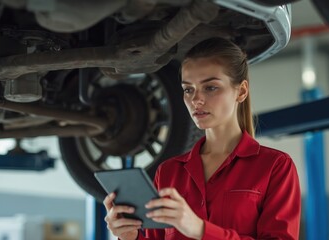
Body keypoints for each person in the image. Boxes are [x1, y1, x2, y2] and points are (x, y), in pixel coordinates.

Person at [103, 37, 301, 239]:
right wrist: (130, 236)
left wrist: (199, 229)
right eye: (188, 89)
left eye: (210, 87)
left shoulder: (275, 167)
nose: (196, 100)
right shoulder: (168, 173)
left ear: (241, 91)